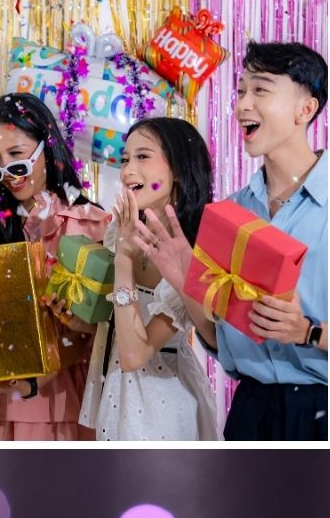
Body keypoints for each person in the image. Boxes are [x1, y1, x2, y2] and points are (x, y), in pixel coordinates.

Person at [136, 42, 328, 441]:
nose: (243, 105)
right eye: (241, 91)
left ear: (304, 109)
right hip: (251, 411)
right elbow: (218, 341)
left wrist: (307, 332)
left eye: (260, 90)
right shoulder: (228, 214)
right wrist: (185, 278)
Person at [0, 93, 110, 441]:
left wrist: (33, 383)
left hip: (62, 401)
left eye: (17, 156)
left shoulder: (90, 224)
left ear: (46, 149)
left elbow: (100, 329)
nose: (8, 172)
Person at [76, 117, 219, 440]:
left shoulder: (195, 256)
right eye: (125, 159)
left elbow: (134, 355)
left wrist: (124, 258)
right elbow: (111, 328)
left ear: (179, 170)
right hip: (114, 394)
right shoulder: (120, 229)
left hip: (164, 405)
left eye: (143, 157)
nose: (127, 170)